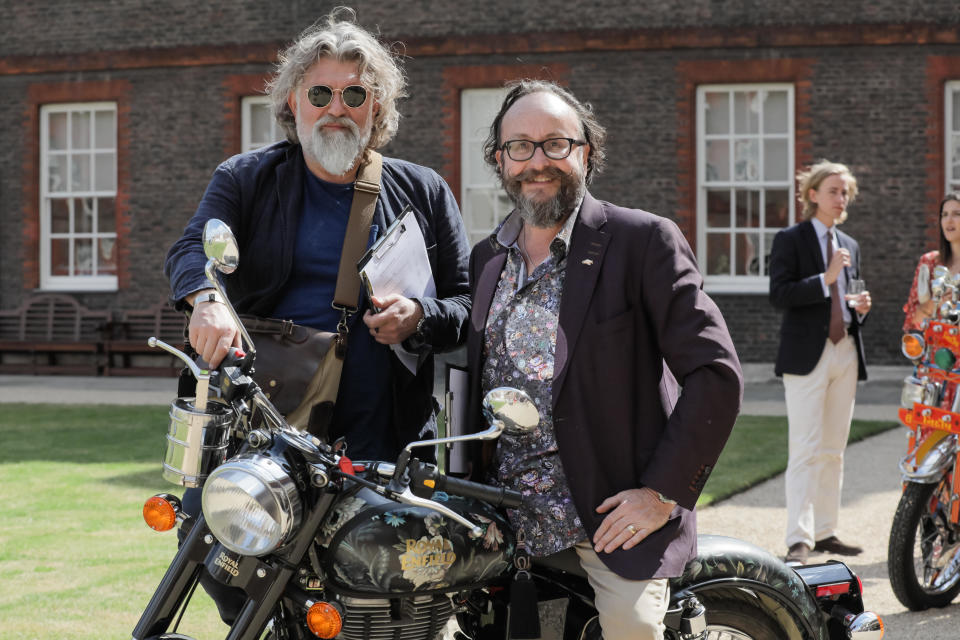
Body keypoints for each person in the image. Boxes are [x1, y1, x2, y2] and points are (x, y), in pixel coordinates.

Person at [163, 10, 470, 624]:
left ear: (377, 107)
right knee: (228, 569)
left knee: (376, 591)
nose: (338, 107)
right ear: (292, 102)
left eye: (355, 93)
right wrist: (208, 298)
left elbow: (465, 304)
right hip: (263, 429)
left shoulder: (425, 189)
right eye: (321, 93)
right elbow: (191, 249)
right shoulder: (247, 178)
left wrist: (420, 316)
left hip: (383, 430)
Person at [465, 80, 743, 640]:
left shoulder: (642, 240)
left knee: (632, 628)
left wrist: (662, 494)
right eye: (519, 146)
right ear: (500, 161)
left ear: (585, 152)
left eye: (555, 143)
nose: (536, 161)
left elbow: (715, 373)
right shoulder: (487, 258)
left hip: (608, 519)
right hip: (501, 517)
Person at [769, 160, 871, 566]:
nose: (841, 198)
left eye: (845, 192)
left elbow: (852, 297)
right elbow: (779, 294)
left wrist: (860, 307)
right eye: (833, 190)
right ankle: (798, 537)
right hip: (806, 355)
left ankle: (826, 531)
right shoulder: (789, 239)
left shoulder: (851, 244)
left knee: (833, 449)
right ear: (813, 195)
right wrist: (826, 279)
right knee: (806, 448)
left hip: (845, 350)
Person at [903, 192, 960, 331]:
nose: (949, 220)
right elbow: (913, 323)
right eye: (944, 215)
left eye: (956, 214)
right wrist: (936, 303)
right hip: (936, 350)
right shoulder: (929, 263)